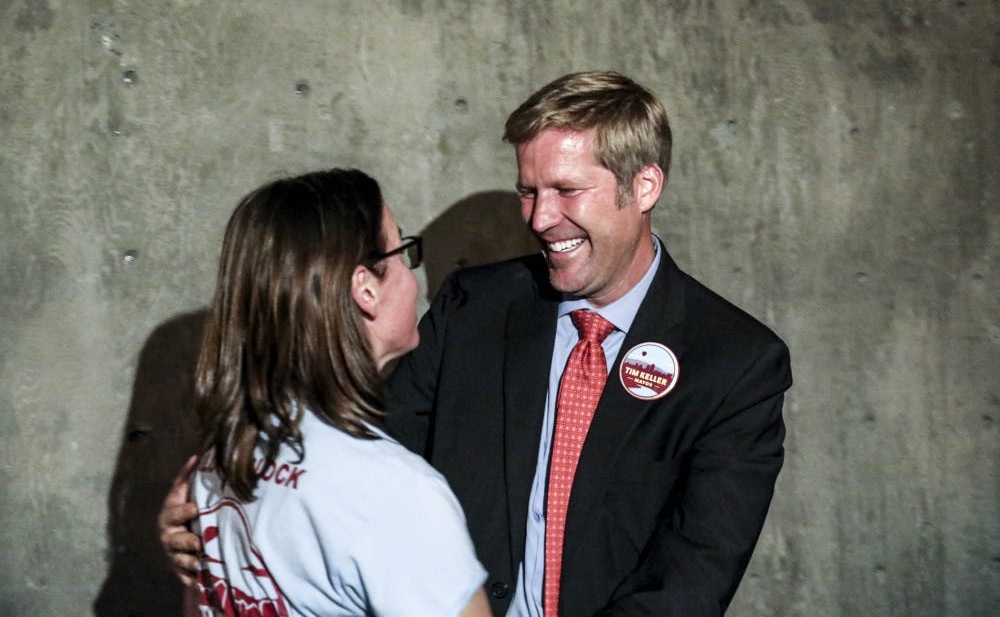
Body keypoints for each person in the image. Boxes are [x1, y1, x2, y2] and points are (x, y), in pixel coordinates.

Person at [163, 72, 791, 616]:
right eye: (528, 190)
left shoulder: (736, 361)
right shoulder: (474, 306)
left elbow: (694, 576)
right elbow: (351, 453)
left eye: (567, 191)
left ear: (645, 187)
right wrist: (216, 514)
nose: (540, 218)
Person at [177, 169, 490, 616]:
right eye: (402, 252)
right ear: (365, 289)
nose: (411, 277)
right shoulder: (396, 494)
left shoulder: (220, 457)